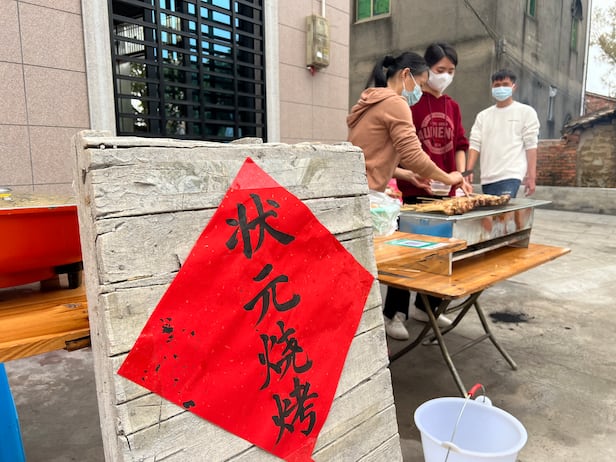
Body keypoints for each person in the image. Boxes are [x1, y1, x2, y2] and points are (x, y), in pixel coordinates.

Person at [347, 51, 465, 341]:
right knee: (389, 266)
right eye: (420, 84)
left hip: (358, 193)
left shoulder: (370, 101)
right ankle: (375, 330)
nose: (419, 91)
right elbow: (413, 154)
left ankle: (366, 331)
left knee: (363, 271)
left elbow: (370, 156)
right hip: (370, 199)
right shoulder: (395, 102)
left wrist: (406, 175)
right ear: (406, 75)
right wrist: (448, 177)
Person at [385, 42, 470, 338]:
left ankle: (427, 307)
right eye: (439, 70)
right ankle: (394, 313)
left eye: (451, 71)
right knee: (407, 254)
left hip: (445, 196)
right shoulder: (410, 103)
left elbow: (460, 145)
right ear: (426, 70)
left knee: (439, 254)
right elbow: (401, 149)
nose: (445, 76)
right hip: (414, 190)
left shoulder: (453, 107)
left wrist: (459, 175)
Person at [466, 69, 540, 198]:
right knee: (492, 210)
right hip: (487, 178)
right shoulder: (483, 116)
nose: (501, 88)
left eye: (505, 84)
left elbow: (531, 145)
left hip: (511, 175)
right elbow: (475, 144)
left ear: (514, 87)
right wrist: (468, 172)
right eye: (497, 85)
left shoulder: (526, 112)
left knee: (504, 208)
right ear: (492, 88)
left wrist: (531, 177)